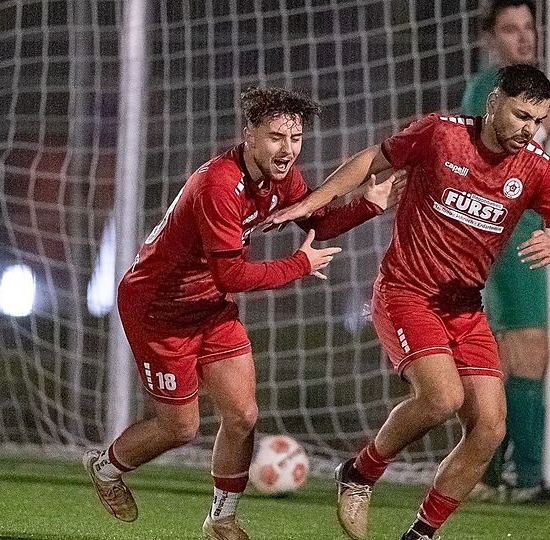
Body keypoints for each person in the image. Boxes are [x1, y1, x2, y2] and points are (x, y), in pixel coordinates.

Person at [267, 65, 550, 540]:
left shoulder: (538, 168)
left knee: (489, 428)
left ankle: (421, 534)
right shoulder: (440, 135)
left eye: (537, 121)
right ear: (494, 102)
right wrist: (312, 202)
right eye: (521, 115)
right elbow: (370, 160)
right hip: (406, 293)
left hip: (464, 307)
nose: (528, 129)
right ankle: (359, 473)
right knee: (442, 397)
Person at [82, 87, 405, 540]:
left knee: (243, 414)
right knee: (181, 427)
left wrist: (372, 204)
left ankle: (222, 518)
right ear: (249, 134)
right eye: (276, 137)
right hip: (159, 309)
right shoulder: (218, 185)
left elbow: (316, 220)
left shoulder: (281, 177)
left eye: (295, 139)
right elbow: (232, 275)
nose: (287, 149)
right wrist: (299, 265)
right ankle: (106, 468)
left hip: (210, 306)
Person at [461, 0, 550, 505]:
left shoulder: (529, 89)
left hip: (527, 226)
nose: (523, 38)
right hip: (508, 235)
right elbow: (484, 163)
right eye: (510, 30)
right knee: (529, 350)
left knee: (512, 360)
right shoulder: (488, 88)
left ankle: (490, 478)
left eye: (529, 28)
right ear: (491, 38)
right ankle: (529, 479)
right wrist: (549, 122)